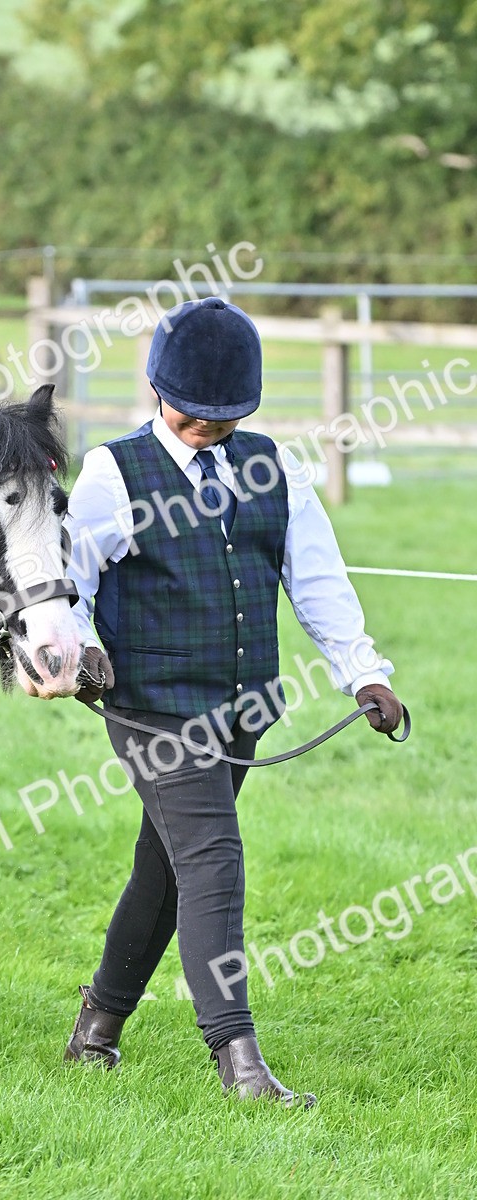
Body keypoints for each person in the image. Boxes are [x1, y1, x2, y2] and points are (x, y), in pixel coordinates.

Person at [62, 296, 404, 1108]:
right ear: (154, 387)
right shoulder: (113, 473)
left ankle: (97, 1030)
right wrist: (79, 655)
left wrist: (366, 674)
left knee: (167, 872)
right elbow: (68, 582)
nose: (207, 428)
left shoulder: (273, 467)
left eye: (225, 415)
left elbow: (317, 578)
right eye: (192, 412)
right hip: (152, 709)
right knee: (214, 858)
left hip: (243, 710)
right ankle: (239, 1061)